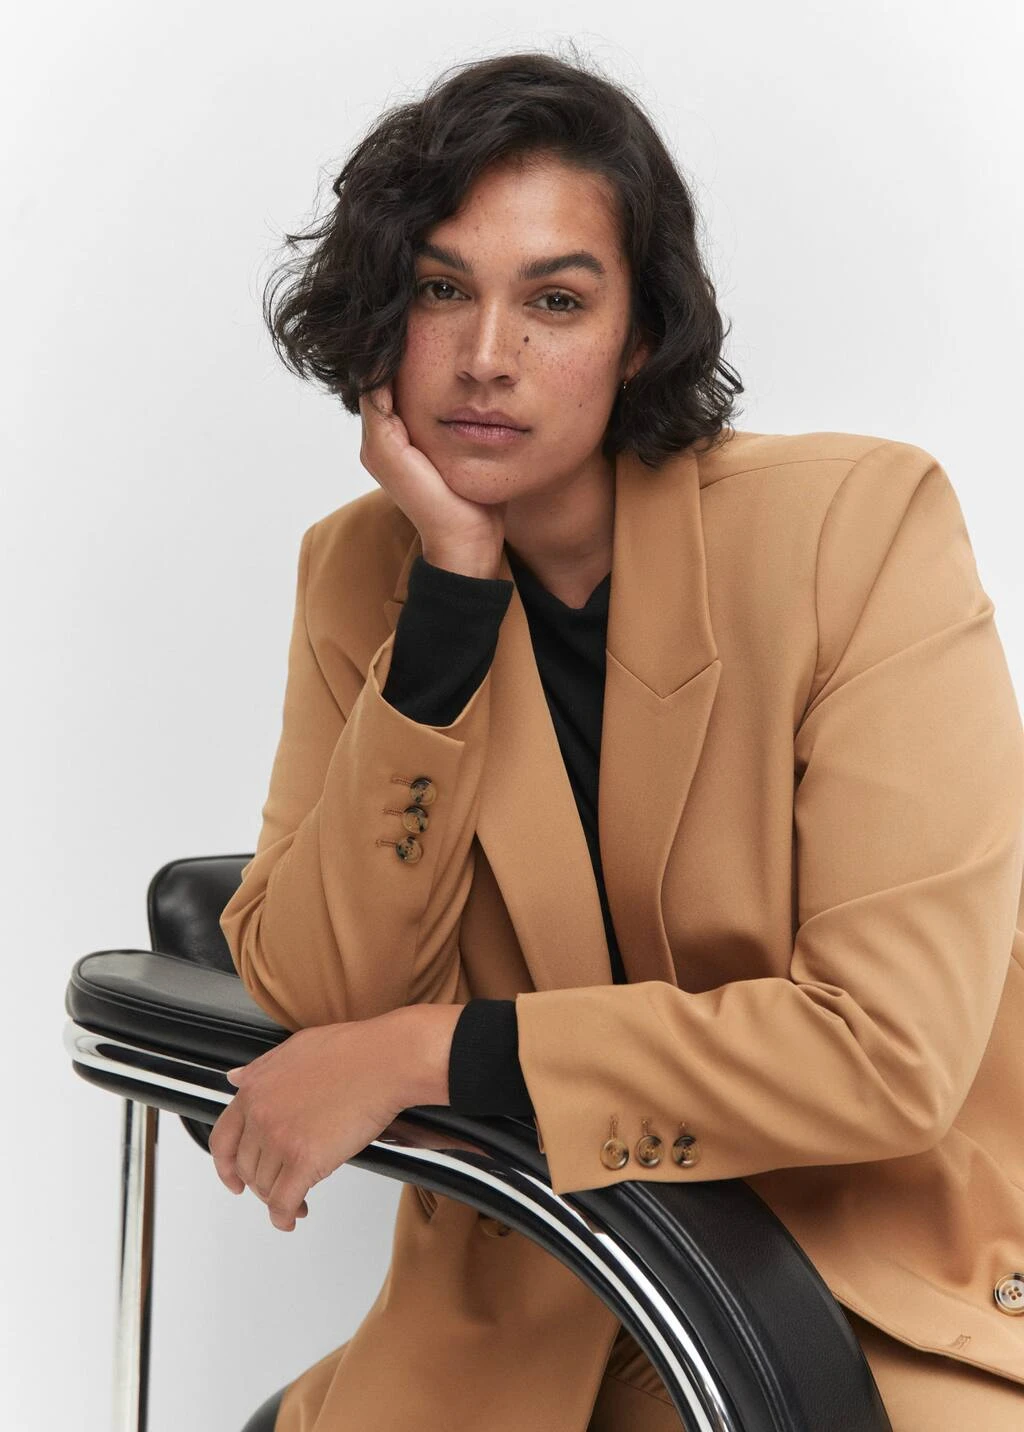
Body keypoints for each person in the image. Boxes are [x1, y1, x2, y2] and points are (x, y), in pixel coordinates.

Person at [212, 46, 1024, 1432]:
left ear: (641, 334)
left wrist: (432, 1056)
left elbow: (884, 1053)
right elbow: (324, 998)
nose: (487, 357)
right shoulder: (359, 575)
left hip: (864, 1282)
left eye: (557, 301)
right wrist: (447, 611)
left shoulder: (857, 533)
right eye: (441, 290)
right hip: (527, 1307)